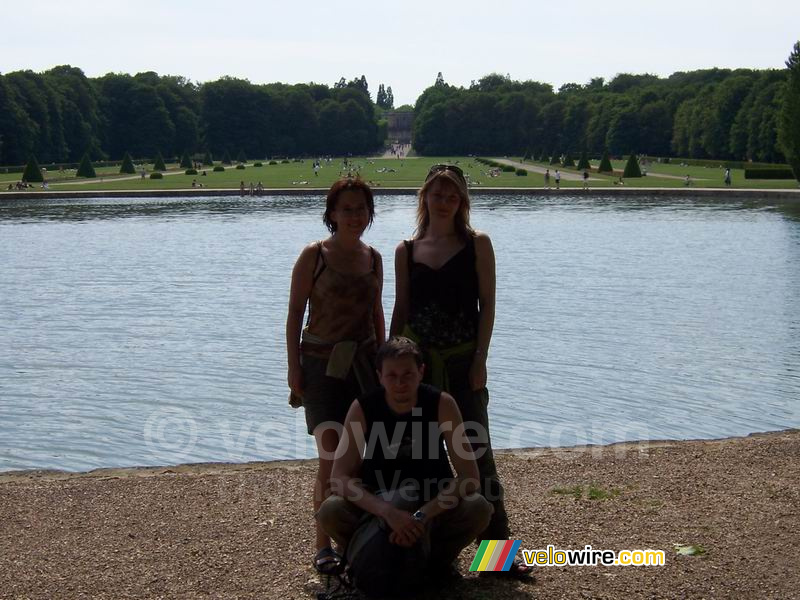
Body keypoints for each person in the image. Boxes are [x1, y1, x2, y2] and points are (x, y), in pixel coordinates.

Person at [389, 164, 531, 578]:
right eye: (438, 194)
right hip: (419, 368)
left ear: (463, 201)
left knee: (478, 456)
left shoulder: (477, 244)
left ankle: (498, 558)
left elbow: (488, 305)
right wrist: (392, 368)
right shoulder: (406, 249)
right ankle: (435, 555)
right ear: (425, 198)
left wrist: (480, 360)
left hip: (463, 361)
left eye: (453, 195)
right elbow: (401, 310)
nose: (445, 201)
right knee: (425, 459)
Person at [318, 337, 493, 593]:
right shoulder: (363, 407)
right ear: (379, 376)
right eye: (392, 375)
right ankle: (365, 556)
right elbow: (339, 477)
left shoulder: (442, 404)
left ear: (421, 372)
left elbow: (469, 477)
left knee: (480, 507)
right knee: (330, 510)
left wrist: (421, 517)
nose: (400, 383)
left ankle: (436, 563)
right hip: (379, 507)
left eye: (408, 374)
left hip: (431, 507)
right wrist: (387, 513)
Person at [286, 176, 384, 576]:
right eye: (347, 208)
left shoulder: (373, 257)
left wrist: (384, 362)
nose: (355, 215)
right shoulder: (315, 255)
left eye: (361, 208)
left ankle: (354, 537)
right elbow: (295, 314)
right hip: (321, 366)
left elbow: (376, 313)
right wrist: (293, 367)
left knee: (358, 459)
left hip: (363, 366)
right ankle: (322, 543)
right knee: (329, 459)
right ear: (331, 214)